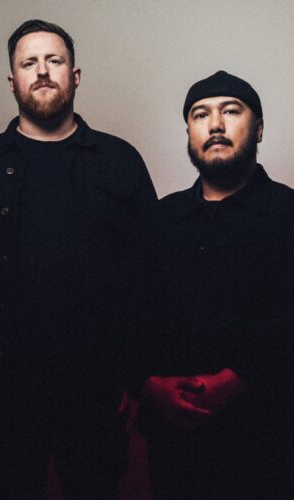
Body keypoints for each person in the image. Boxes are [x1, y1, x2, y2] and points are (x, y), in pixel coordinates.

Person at [0, 19, 156, 500]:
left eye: (55, 60)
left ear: (75, 75)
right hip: (6, 390)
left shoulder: (120, 162)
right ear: (13, 81)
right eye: (29, 63)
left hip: (97, 388)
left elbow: (149, 277)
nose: (43, 71)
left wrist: (141, 376)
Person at [131, 70, 294, 499]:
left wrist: (237, 378)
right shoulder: (160, 220)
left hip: (270, 442)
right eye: (201, 115)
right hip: (174, 446)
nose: (215, 124)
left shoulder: (288, 213)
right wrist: (148, 384)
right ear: (189, 132)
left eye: (231, 111)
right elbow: (129, 313)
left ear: (259, 129)